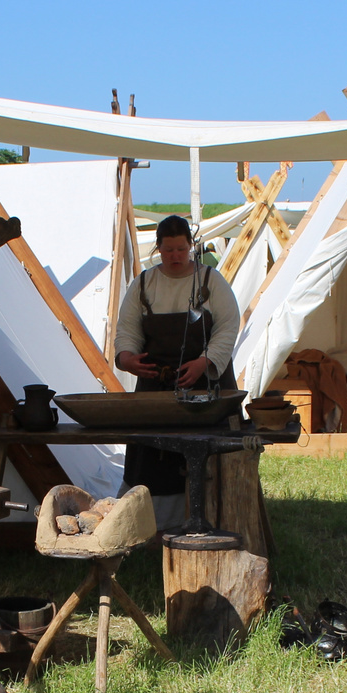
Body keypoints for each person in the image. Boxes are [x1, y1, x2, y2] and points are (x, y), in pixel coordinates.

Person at [112, 214, 241, 518]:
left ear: (190, 247)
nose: (175, 257)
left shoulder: (211, 281)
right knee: (153, 459)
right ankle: (150, 523)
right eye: (168, 250)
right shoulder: (144, 283)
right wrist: (128, 359)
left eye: (181, 250)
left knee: (208, 455)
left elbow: (228, 325)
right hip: (157, 386)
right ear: (158, 248)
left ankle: (213, 516)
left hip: (207, 385)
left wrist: (204, 362)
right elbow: (127, 330)